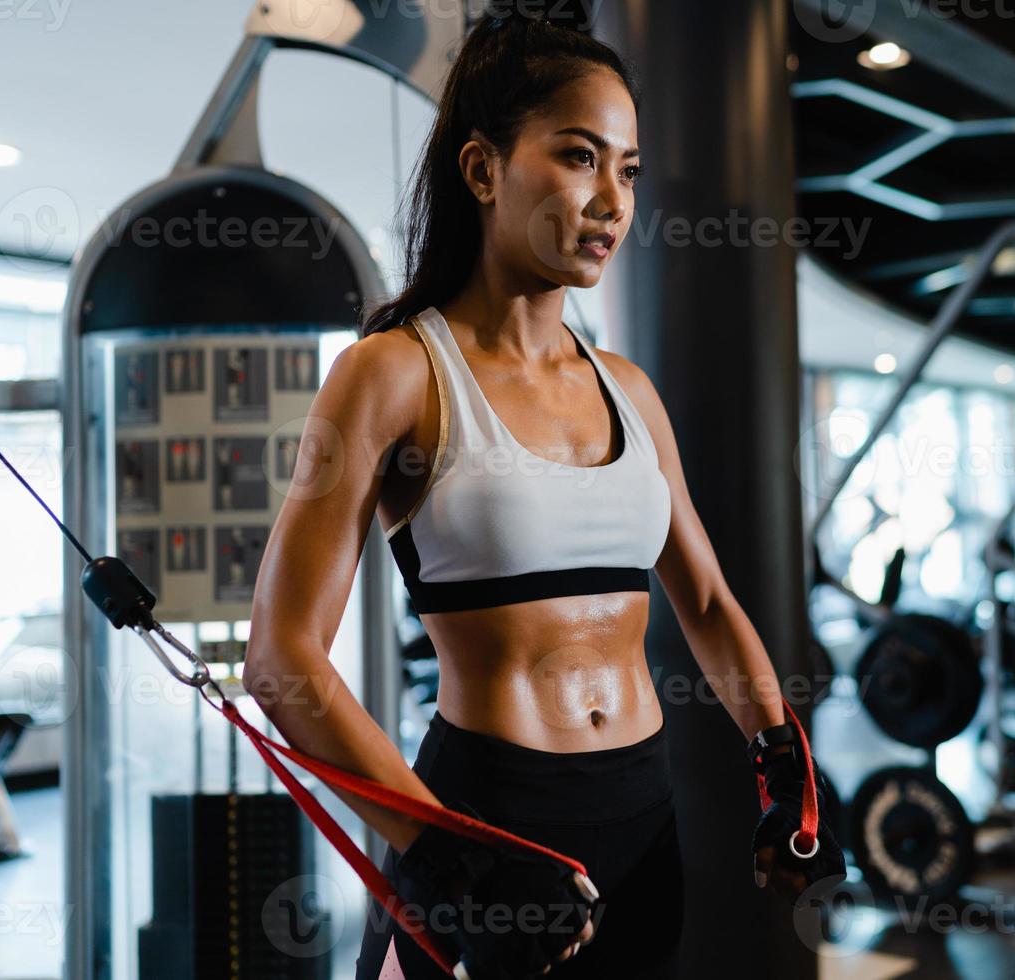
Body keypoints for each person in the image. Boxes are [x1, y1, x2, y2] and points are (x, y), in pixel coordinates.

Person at [243, 6, 844, 979]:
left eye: (629, 169)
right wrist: (448, 860)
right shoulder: (392, 374)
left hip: (644, 820)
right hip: (482, 821)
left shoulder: (627, 388)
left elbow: (704, 601)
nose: (612, 198)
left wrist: (786, 768)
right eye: (578, 156)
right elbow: (280, 657)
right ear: (483, 169)